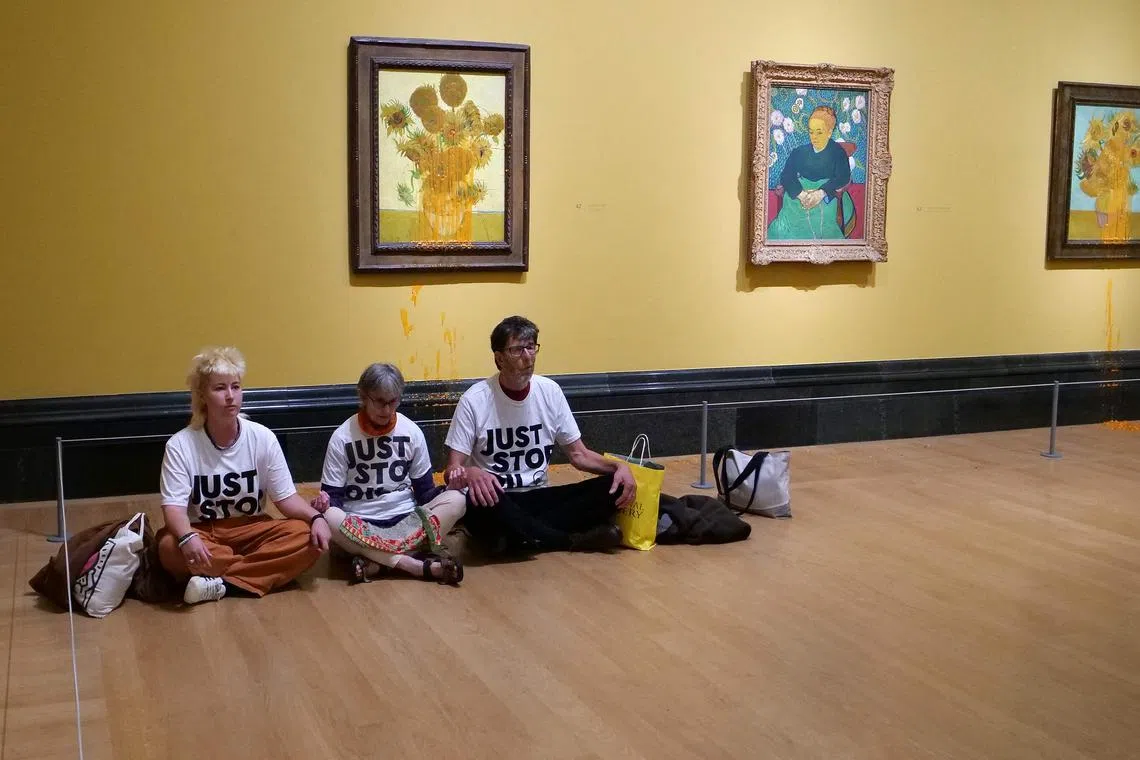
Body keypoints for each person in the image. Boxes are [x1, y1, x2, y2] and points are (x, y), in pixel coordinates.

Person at [443, 316, 636, 555]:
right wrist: (471, 473)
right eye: (517, 350)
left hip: (539, 496)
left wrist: (619, 467)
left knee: (615, 487)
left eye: (531, 347)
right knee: (479, 504)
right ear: (499, 358)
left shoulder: (550, 391)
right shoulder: (474, 400)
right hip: (498, 499)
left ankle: (521, 538)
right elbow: (452, 471)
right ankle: (567, 540)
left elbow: (579, 455)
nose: (527, 356)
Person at [156, 347, 329, 605]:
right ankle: (256, 573)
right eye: (220, 388)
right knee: (169, 547)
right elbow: (173, 509)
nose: (230, 396)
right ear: (202, 395)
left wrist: (317, 518)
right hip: (205, 532)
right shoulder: (180, 445)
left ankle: (220, 583)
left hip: (253, 528)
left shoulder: (262, 437)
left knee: (307, 537)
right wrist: (187, 537)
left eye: (235, 387)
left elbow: (286, 499)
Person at [310, 363, 465, 584]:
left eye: (393, 401)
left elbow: (425, 493)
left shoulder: (411, 432)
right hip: (361, 524)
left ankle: (377, 562)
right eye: (380, 402)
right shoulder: (342, 437)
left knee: (458, 499)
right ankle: (414, 566)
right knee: (329, 516)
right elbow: (333, 498)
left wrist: (448, 489)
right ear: (363, 396)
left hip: (407, 521)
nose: (387, 410)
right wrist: (324, 503)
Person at [768, 105, 858, 240]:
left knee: (824, 221)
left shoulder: (838, 152)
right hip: (800, 194)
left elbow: (842, 177)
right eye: (811, 132)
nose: (814, 137)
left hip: (828, 194)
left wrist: (820, 193)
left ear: (829, 132)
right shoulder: (800, 152)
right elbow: (787, 175)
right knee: (786, 222)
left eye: (819, 132)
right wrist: (801, 194)